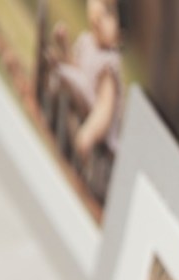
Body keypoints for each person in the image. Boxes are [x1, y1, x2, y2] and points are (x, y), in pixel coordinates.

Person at [48, 0, 125, 160]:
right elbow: (77, 68)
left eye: (108, 14)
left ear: (120, 36)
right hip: (80, 103)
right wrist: (64, 45)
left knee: (66, 76)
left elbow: (104, 109)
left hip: (95, 132)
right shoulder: (87, 41)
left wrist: (88, 135)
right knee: (64, 73)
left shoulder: (109, 64)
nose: (99, 18)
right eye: (101, 8)